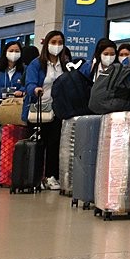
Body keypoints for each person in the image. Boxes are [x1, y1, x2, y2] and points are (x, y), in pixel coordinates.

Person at [24, 31, 89, 190]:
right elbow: (29, 83)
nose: (57, 45)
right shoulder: (36, 64)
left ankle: (51, 176)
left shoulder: (66, 64)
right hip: (39, 109)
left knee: (54, 144)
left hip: (59, 110)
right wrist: (35, 89)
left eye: (60, 42)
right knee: (38, 143)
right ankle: (35, 175)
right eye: (54, 42)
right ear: (47, 43)